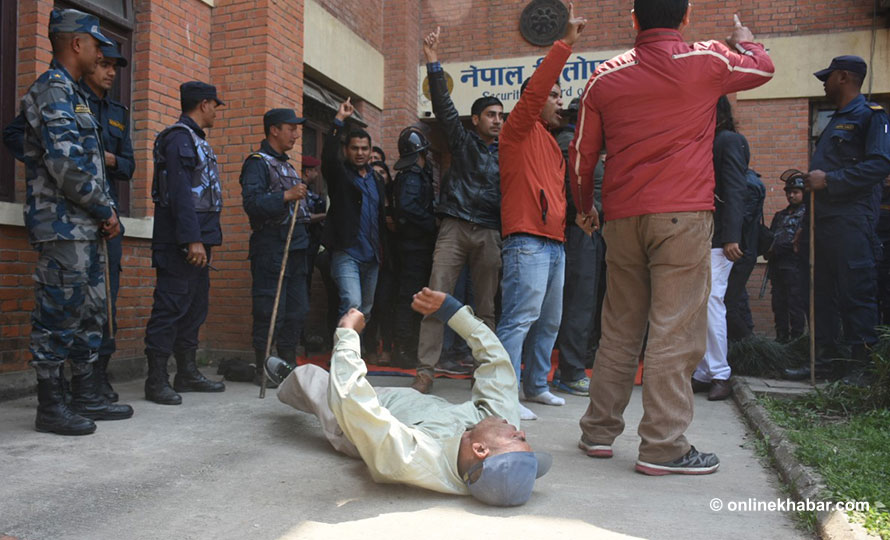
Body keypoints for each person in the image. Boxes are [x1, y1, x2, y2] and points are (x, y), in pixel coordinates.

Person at [569, 2, 774, 474]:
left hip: (622, 217)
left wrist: (584, 207)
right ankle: (663, 447)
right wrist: (746, 40)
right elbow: (763, 68)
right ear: (685, 17)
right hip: (682, 213)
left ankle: (598, 433)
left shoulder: (603, 77)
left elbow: (582, 154)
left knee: (619, 328)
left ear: (634, 19)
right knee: (674, 330)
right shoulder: (707, 59)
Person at [266, 288, 552, 506]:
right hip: (409, 401)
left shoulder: (413, 458)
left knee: (315, 381)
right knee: (347, 384)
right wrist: (452, 311)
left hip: (362, 423)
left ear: (480, 450)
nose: (521, 431)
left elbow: (355, 404)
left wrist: (347, 335)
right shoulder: (497, 424)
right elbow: (497, 362)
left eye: (518, 439)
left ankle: (288, 377)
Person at [21, 8, 133, 435]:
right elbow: (66, 165)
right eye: (95, 44)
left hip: (87, 227)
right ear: (76, 43)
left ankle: (85, 395)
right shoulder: (52, 90)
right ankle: (50, 406)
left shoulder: (75, 94)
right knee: (59, 313)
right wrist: (105, 209)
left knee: (90, 313)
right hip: (63, 225)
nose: (99, 53)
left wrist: (103, 212)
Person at [496, 3, 587, 421]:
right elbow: (536, 91)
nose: (558, 99)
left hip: (553, 243)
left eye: (560, 95)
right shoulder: (517, 128)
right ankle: (503, 394)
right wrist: (564, 44)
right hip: (527, 240)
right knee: (519, 320)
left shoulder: (551, 142)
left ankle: (535, 386)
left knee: (548, 322)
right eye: (554, 94)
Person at [782, 55, 890, 386]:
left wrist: (830, 180)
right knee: (818, 295)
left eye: (827, 78)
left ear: (843, 77)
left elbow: (880, 165)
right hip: (820, 223)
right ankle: (824, 363)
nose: (823, 84)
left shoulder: (871, 116)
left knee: (856, 292)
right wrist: (804, 225)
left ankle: (862, 368)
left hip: (851, 221)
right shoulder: (834, 120)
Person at [413, 27, 505, 394]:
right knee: (435, 298)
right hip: (454, 226)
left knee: (486, 308)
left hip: (490, 231)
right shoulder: (462, 141)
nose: (497, 120)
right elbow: (443, 106)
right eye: (490, 115)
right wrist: (433, 60)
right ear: (476, 119)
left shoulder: (510, 153)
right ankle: (425, 372)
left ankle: (486, 373)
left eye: (500, 115)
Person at [143, 81, 227, 405]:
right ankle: (156, 380)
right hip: (181, 243)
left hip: (199, 241)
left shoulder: (196, 139)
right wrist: (192, 239)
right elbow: (179, 193)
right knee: (170, 307)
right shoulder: (179, 138)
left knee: (194, 307)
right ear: (204, 104)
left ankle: (187, 372)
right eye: (215, 105)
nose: (216, 112)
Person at [240, 108, 311, 386]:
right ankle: (264, 367)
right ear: (274, 130)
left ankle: (288, 366)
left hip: (297, 246)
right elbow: (252, 204)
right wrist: (285, 196)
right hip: (272, 244)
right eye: (291, 129)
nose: (296, 134)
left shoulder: (288, 165)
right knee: (270, 310)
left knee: (297, 310)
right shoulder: (257, 163)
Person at [691, 96, 748, 402]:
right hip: (700, 234)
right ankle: (704, 372)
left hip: (720, 237)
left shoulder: (728, 140)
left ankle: (720, 374)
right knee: (699, 303)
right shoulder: (703, 140)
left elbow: (736, 189)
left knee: (712, 300)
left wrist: (732, 236)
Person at [554, 97, 604, 397]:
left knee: (584, 302)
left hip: (588, 231)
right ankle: (570, 370)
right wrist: (590, 210)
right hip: (579, 230)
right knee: (578, 303)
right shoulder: (568, 143)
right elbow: (573, 190)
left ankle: (572, 367)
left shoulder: (581, 143)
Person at [321, 98, 387, 319]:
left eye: (364, 149)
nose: (360, 152)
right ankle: (342, 344)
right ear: (346, 150)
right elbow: (328, 157)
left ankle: (351, 343)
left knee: (364, 311)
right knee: (352, 304)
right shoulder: (339, 175)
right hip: (347, 253)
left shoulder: (377, 179)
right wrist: (339, 120)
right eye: (355, 148)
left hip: (372, 257)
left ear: (370, 151)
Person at [392, 127, 438, 373]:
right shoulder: (412, 176)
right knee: (411, 297)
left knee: (412, 296)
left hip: (414, 244)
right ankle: (404, 349)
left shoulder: (415, 175)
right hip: (414, 245)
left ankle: (407, 347)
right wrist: (432, 222)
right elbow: (408, 206)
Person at [766, 172, 807, 343]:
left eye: (795, 192)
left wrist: (779, 248)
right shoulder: (780, 215)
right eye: (789, 192)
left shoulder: (807, 215)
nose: (791, 195)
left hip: (795, 265)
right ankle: (781, 338)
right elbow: (771, 236)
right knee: (779, 303)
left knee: (795, 303)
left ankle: (797, 340)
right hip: (777, 264)